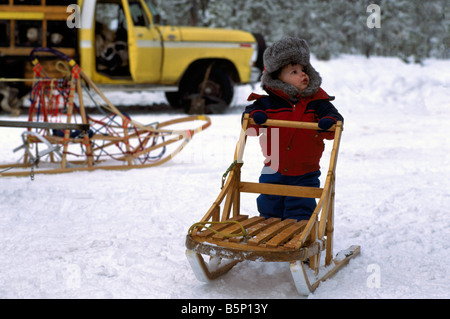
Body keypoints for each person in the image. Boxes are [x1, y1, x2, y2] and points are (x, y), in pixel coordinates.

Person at [243, 36, 343, 222]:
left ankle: (298, 233)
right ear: (278, 79)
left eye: (304, 70)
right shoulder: (267, 103)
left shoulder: (318, 103)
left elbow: (336, 121)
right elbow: (249, 121)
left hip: (305, 171)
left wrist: (328, 121)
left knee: (300, 207)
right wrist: (256, 116)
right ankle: (269, 230)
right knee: (269, 203)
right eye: (294, 71)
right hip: (273, 167)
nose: (303, 74)